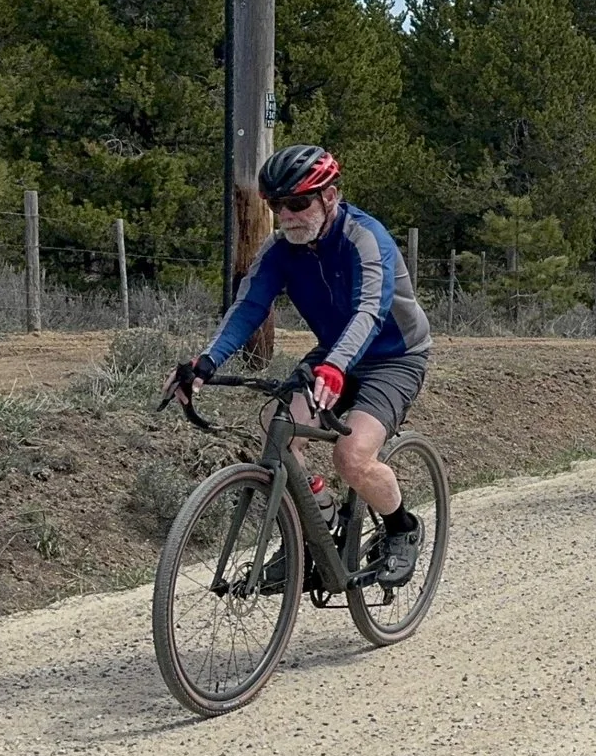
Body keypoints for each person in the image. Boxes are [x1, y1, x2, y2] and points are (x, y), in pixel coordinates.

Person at [163, 144, 433, 586]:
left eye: (298, 203)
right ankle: (316, 516)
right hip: (335, 351)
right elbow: (249, 305)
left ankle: (402, 529)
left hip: (393, 356)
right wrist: (206, 361)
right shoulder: (281, 248)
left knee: (353, 456)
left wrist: (336, 366)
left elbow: (369, 312)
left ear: (329, 197)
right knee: (277, 422)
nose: (286, 216)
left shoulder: (366, 239)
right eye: (276, 206)